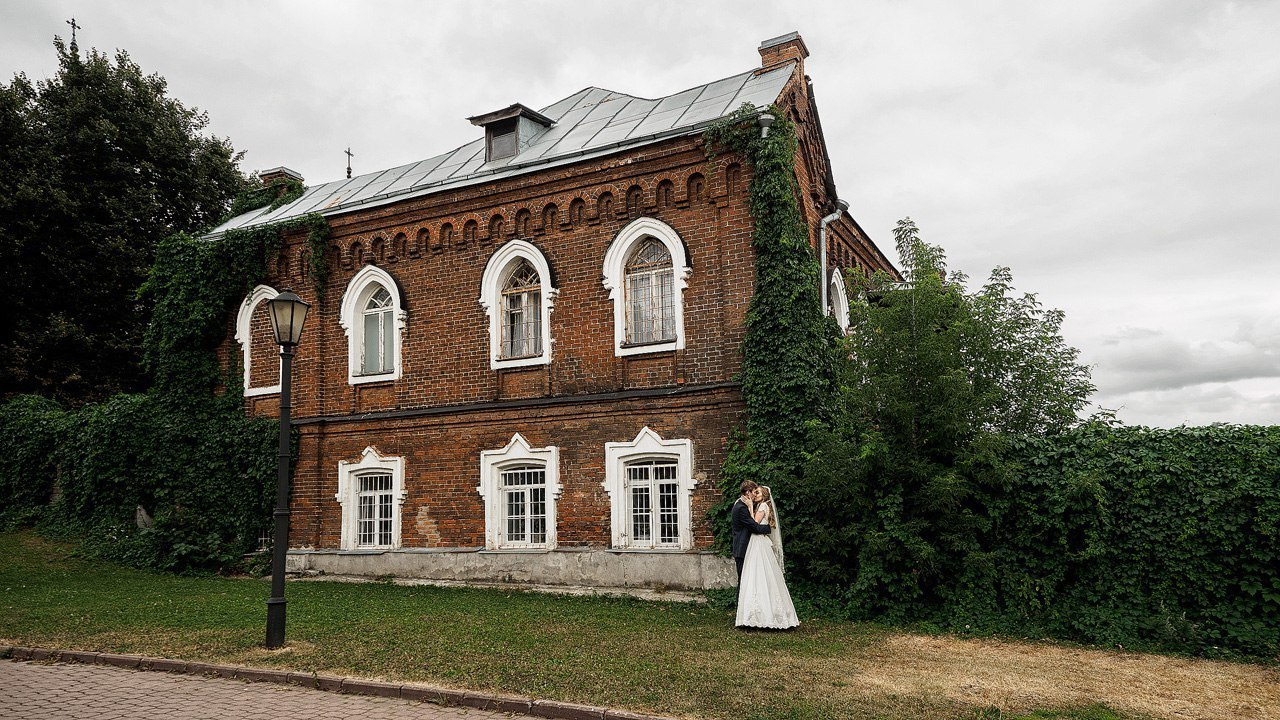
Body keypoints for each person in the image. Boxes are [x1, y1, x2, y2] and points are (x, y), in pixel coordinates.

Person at [735, 485, 799, 630]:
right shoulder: (762, 505)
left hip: (759, 543)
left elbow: (754, 523)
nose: (755, 495)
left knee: (760, 574)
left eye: (757, 492)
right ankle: (755, 615)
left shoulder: (763, 505)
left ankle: (766, 616)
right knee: (757, 575)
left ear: (763, 495)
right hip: (757, 542)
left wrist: (750, 507)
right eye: (754, 492)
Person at [730, 480, 773, 582]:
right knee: (744, 582)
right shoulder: (741, 508)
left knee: (747, 581)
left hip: (747, 549)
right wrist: (768, 528)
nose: (755, 495)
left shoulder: (741, 504)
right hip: (743, 549)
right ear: (748, 492)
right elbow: (755, 527)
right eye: (754, 492)